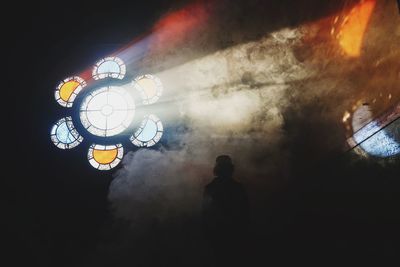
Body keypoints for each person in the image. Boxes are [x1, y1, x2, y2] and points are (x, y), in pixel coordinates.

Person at [202, 155, 249, 266]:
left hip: (218, 233)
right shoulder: (238, 188)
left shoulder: (210, 187)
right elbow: (245, 212)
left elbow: (205, 212)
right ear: (231, 169)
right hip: (233, 233)